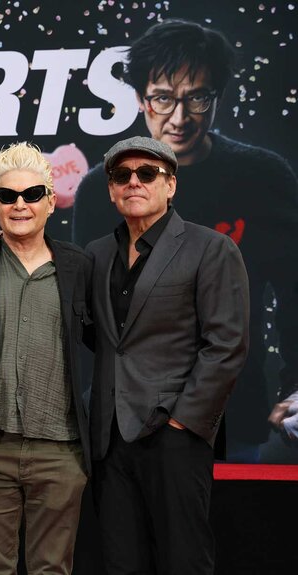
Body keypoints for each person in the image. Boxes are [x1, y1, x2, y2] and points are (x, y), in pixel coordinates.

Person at [72, 18, 298, 462]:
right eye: (162, 98)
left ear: (217, 97)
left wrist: (296, 383)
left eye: (197, 98)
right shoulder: (105, 186)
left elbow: (294, 291)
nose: (179, 118)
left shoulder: (263, 177)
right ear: (140, 98)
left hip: (236, 409)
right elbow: (87, 310)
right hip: (130, 412)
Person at [86, 136, 249, 574]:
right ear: (110, 189)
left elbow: (227, 344)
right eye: (122, 175)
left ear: (171, 184)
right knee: (120, 561)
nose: (134, 182)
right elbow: (92, 335)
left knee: (183, 559)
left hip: (174, 435)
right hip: (109, 437)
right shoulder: (96, 254)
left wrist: (183, 423)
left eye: (148, 173)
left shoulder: (210, 248)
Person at [0, 143, 92, 574]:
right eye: (9, 196)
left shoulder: (81, 266)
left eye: (32, 194)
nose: (20, 204)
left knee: (53, 568)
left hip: (62, 448)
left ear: (51, 201)